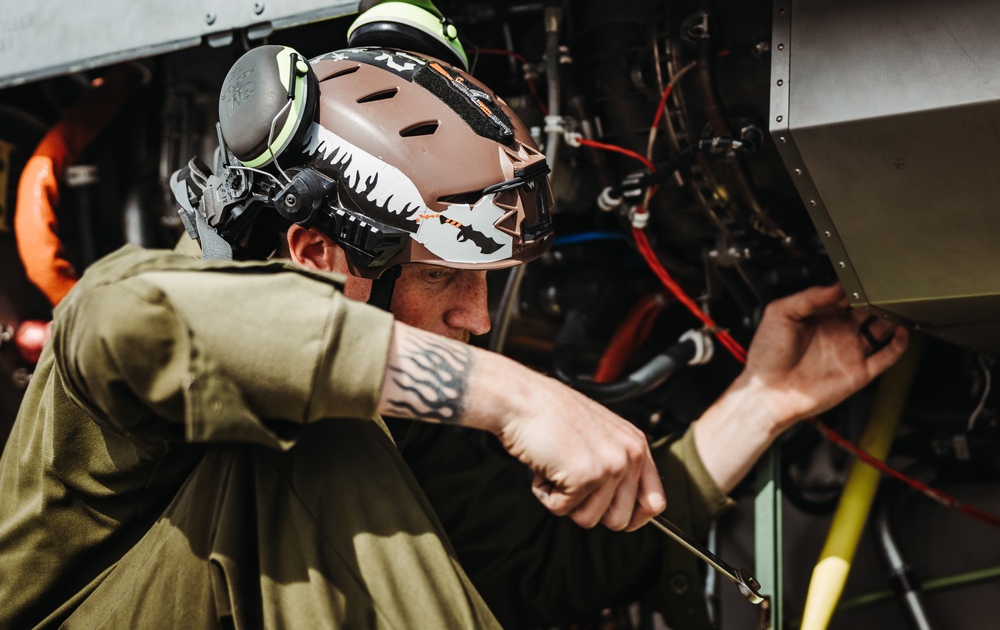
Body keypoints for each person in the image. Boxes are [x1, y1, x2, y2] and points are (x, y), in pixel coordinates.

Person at [0, 44, 907, 630]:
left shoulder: (404, 434)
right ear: (316, 251)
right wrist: (514, 395)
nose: (477, 320)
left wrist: (766, 400)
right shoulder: (129, 340)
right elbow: (140, 324)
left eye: (482, 283)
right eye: (443, 276)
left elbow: (541, 562)